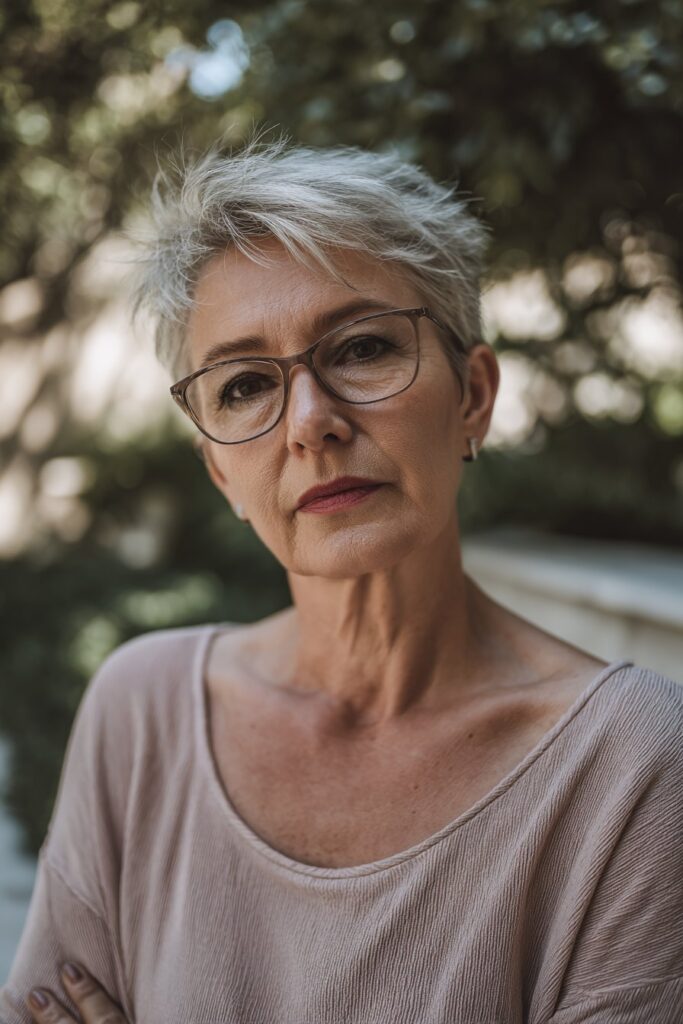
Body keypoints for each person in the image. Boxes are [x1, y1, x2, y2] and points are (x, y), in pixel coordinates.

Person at [2, 136, 681, 1024]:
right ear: (218, 469)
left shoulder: (631, 763)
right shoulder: (143, 710)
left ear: (472, 395)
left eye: (361, 348)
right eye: (244, 386)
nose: (310, 423)